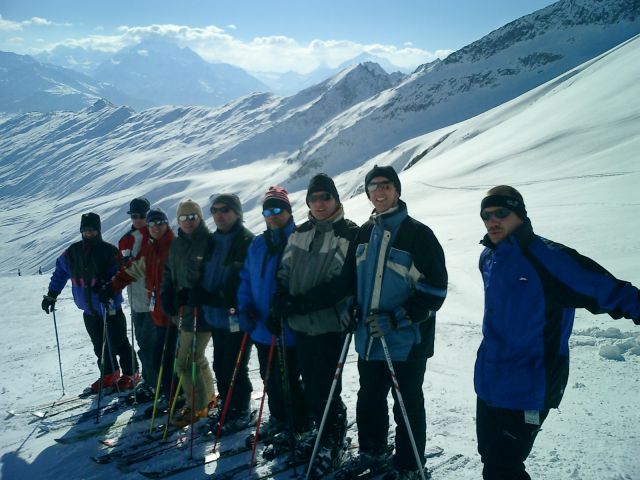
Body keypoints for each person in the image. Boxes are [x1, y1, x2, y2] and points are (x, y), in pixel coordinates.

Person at [475, 185, 640, 480]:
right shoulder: (489, 258)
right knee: (490, 456)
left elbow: (608, 290)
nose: (493, 221)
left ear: (520, 215)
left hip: (530, 384)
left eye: (502, 213)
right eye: (486, 215)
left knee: (503, 467)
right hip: (490, 382)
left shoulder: (549, 258)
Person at [332, 165, 447, 480]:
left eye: (385, 186)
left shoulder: (418, 235)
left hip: (407, 342)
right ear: (368, 192)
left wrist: (397, 319)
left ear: (397, 190)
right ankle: (373, 451)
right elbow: (348, 281)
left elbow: (435, 291)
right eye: (373, 187)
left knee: (407, 406)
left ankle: (410, 466)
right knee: (368, 399)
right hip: (370, 339)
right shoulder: (363, 232)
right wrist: (348, 306)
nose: (379, 192)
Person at [275, 173, 359, 477]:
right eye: (314, 198)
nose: (320, 203)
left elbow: (342, 283)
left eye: (325, 197)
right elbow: (284, 269)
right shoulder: (300, 232)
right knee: (309, 385)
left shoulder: (349, 233)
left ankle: (332, 443)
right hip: (300, 325)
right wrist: (281, 298)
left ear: (335, 199)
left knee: (326, 388)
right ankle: (321, 434)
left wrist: (299, 303)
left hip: (330, 325)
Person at [237, 186, 308, 442]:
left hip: (289, 330)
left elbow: (303, 284)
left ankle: (298, 425)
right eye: (268, 210)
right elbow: (245, 278)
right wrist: (244, 307)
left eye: (278, 209)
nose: (273, 214)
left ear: (288, 212)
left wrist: (287, 310)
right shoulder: (258, 243)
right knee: (271, 380)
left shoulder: (300, 240)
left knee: (289, 380)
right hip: (262, 329)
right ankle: (279, 418)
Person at [41, 213, 139, 393]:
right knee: (98, 344)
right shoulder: (73, 251)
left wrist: (107, 285)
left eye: (92, 230)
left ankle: (131, 373)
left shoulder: (109, 251)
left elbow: (120, 273)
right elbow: (60, 273)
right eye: (85, 230)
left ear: (98, 230)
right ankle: (110, 373)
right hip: (89, 309)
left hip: (109, 307)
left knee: (118, 342)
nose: (88, 233)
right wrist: (51, 294)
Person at [192, 193, 255, 433]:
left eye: (225, 210)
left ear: (237, 213)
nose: (219, 215)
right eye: (215, 210)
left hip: (237, 316)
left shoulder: (246, 240)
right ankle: (229, 406)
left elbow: (245, 281)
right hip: (216, 316)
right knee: (221, 364)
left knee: (235, 366)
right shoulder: (211, 241)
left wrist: (216, 297)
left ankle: (240, 409)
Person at [102, 208, 178, 406]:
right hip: (153, 308)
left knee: (171, 354)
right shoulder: (150, 247)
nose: (154, 227)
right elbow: (133, 269)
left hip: (173, 312)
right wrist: (112, 286)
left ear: (166, 224)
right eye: (152, 224)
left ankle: (178, 393)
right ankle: (164, 390)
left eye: (158, 223)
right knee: (157, 352)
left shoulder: (174, 246)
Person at [160, 199, 216, 427]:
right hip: (183, 314)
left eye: (192, 217)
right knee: (197, 358)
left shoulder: (209, 242)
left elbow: (214, 277)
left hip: (202, 314)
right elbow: (168, 273)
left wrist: (197, 292)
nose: (188, 222)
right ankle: (208, 399)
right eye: (183, 218)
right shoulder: (177, 244)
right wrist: (167, 296)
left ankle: (199, 407)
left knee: (183, 363)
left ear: (200, 218)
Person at [117, 197, 151, 394]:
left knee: (159, 345)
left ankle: (162, 383)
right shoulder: (125, 239)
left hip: (156, 299)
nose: (138, 219)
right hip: (136, 300)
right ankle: (149, 381)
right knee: (143, 343)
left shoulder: (156, 235)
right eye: (134, 215)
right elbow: (119, 265)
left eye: (142, 215)